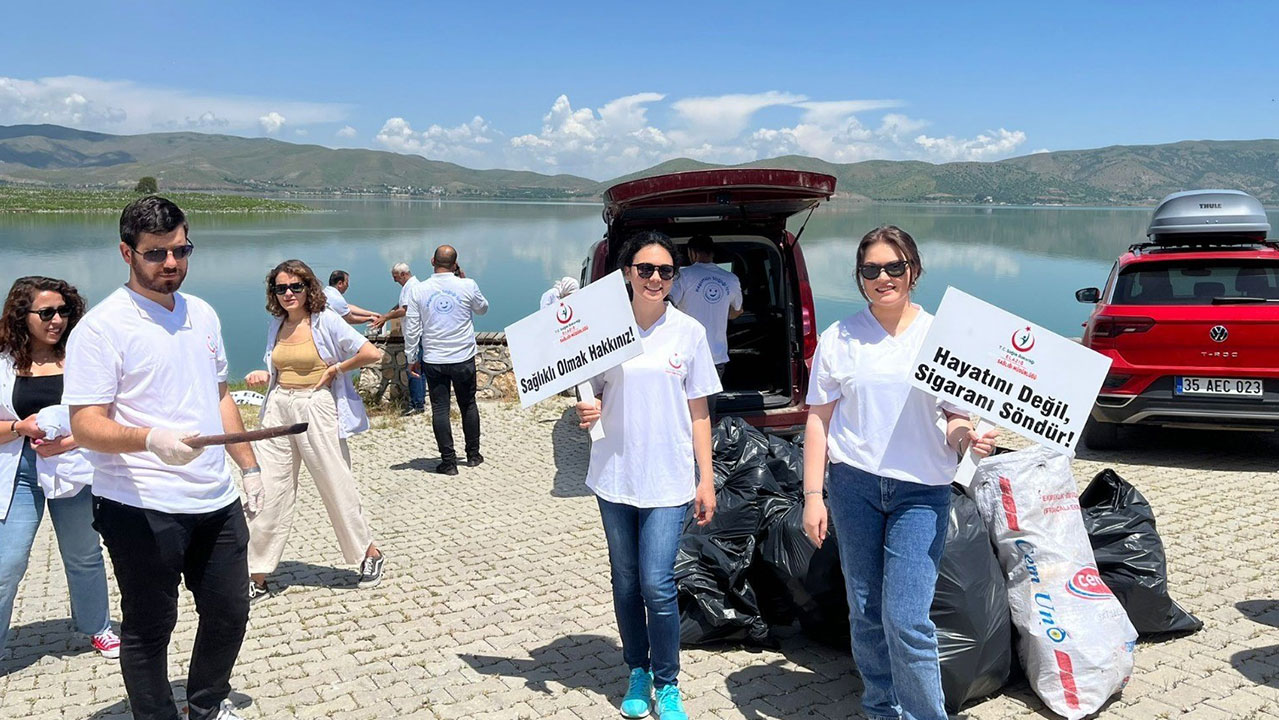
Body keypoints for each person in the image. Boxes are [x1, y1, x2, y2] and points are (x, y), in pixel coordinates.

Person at [65, 195, 264, 720]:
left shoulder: (202, 313)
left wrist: (249, 466)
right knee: (150, 626)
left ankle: (206, 705)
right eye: (156, 254)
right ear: (126, 253)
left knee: (229, 612)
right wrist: (150, 438)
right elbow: (85, 425)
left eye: (181, 250)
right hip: (139, 504)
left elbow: (221, 395)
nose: (172, 264)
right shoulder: (102, 328)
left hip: (213, 498)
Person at [800, 225, 998, 720]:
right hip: (854, 487)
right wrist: (812, 496)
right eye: (871, 270)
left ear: (913, 270)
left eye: (894, 267)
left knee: (907, 619)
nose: (883, 277)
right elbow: (818, 419)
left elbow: (955, 416)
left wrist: (967, 438)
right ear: (860, 277)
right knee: (866, 613)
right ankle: (881, 708)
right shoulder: (839, 337)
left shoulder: (940, 336)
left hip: (921, 493)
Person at [575, 230, 719, 720]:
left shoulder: (689, 333)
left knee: (657, 584)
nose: (655, 278)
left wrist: (706, 478)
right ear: (628, 274)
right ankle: (636, 670)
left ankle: (668, 681)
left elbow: (700, 413)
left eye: (665, 271)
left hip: (670, 478)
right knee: (625, 581)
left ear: (674, 277)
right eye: (645, 269)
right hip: (614, 475)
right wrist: (586, 407)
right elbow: (586, 389)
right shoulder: (604, 333)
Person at [244, 260, 385, 599]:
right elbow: (278, 365)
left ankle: (369, 553)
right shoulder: (276, 324)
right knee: (267, 490)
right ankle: (257, 574)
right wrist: (264, 375)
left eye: (295, 287)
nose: (288, 294)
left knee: (334, 481)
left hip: (315, 406)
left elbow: (371, 353)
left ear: (309, 288)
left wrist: (337, 368)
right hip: (278, 406)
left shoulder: (326, 322)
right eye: (281, 289)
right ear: (273, 293)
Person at [0, 277, 119, 661]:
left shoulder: (82, 355)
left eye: (64, 311)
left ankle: (97, 627)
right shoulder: (4, 362)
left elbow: (109, 414)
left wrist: (70, 442)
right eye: (46, 313)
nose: (57, 321)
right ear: (23, 316)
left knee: (84, 554)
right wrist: (20, 427)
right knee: (8, 561)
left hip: (76, 468)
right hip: (19, 469)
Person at [405, 245, 488, 475]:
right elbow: (482, 309)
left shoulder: (419, 290)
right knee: (468, 404)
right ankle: (473, 455)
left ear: (432, 261)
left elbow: (412, 328)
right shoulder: (467, 285)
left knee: (440, 409)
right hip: (463, 356)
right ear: (455, 264)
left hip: (434, 359)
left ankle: (449, 462)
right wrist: (463, 279)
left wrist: (412, 357)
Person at [668, 235, 742, 417]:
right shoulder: (731, 279)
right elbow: (737, 311)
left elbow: (669, 306)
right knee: (707, 412)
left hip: (684, 355)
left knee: (682, 410)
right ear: (712, 252)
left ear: (691, 253)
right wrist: (719, 312)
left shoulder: (683, 276)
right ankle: (707, 443)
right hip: (716, 356)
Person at [370, 263, 424, 415]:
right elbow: (400, 306)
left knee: (414, 370)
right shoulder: (411, 286)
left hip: (415, 334)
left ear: (403, 274)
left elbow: (405, 310)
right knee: (417, 369)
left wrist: (386, 317)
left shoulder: (412, 287)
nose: (394, 281)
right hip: (414, 334)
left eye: (395, 277)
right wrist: (388, 313)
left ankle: (417, 404)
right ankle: (418, 402)